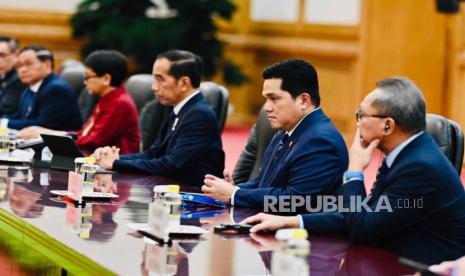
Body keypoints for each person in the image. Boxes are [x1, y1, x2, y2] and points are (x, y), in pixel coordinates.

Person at [243, 77, 465, 264]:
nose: (357, 123)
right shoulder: (405, 154)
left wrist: (355, 172)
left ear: (388, 125)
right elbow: (362, 215)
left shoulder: (420, 167)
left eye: (361, 116)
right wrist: (292, 221)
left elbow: (362, 228)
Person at [202, 59, 348, 209]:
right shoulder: (287, 130)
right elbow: (263, 182)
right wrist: (236, 189)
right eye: (266, 99)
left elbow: (294, 201)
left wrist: (235, 195)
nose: (266, 108)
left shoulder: (320, 141)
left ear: (303, 100)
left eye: (274, 99)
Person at [94, 50, 225, 186]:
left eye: (160, 79)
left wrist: (116, 164)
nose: (153, 87)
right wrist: (114, 158)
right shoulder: (181, 109)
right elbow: (153, 154)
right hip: (172, 191)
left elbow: (171, 166)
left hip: (196, 199)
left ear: (184, 83)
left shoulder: (199, 115)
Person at [18, 50, 140, 154]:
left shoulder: (120, 103)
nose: (85, 82)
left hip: (118, 171)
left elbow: (92, 141)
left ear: (106, 79)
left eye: (88, 77)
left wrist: (49, 135)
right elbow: (84, 134)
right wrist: (47, 133)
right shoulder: (107, 99)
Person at [7, 45, 82, 130]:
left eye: (28, 64)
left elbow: (43, 124)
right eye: (19, 65)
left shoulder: (56, 89)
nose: (22, 70)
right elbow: (19, 116)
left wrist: (4, 123)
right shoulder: (30, 87)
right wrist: (4, 121)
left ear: (47, 64)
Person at [0, 36, 26, 116]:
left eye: (2, 55)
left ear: (17, 55)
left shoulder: (21, 78)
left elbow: (4, 109)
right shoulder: (3, 73)